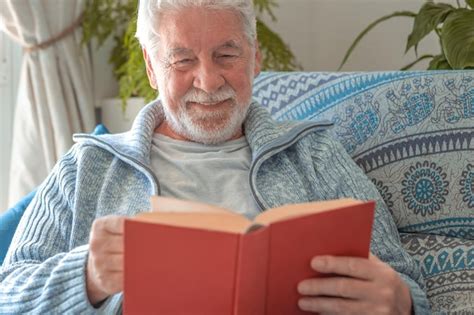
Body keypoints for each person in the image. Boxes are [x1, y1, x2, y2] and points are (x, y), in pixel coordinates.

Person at [0, 0, 430, 314]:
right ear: (152, 69)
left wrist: (402, 302)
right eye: (182, 59)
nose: (207, 82)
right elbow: (8, 293)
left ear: (255, 56)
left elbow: (404, 281)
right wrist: (88, 277)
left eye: (226, 55)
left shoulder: (314, 153)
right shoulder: (86, 167)